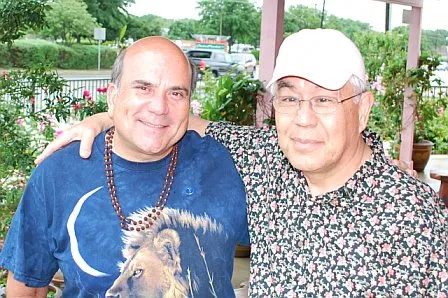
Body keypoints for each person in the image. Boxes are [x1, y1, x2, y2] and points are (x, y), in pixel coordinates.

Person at [36, 29, 447, 296]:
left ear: (362, 108)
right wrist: (108, 116)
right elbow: (171, 117)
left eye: (324, 100)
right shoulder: (265, 158)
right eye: (289, 99)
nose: (304, 119)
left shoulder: (410, 215)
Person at [0, 37, 249, 297]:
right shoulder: (58, 175)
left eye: (176, 93)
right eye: (143, 88)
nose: (159, 107)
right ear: (112, 97)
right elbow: (27, 289)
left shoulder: (224, 165)